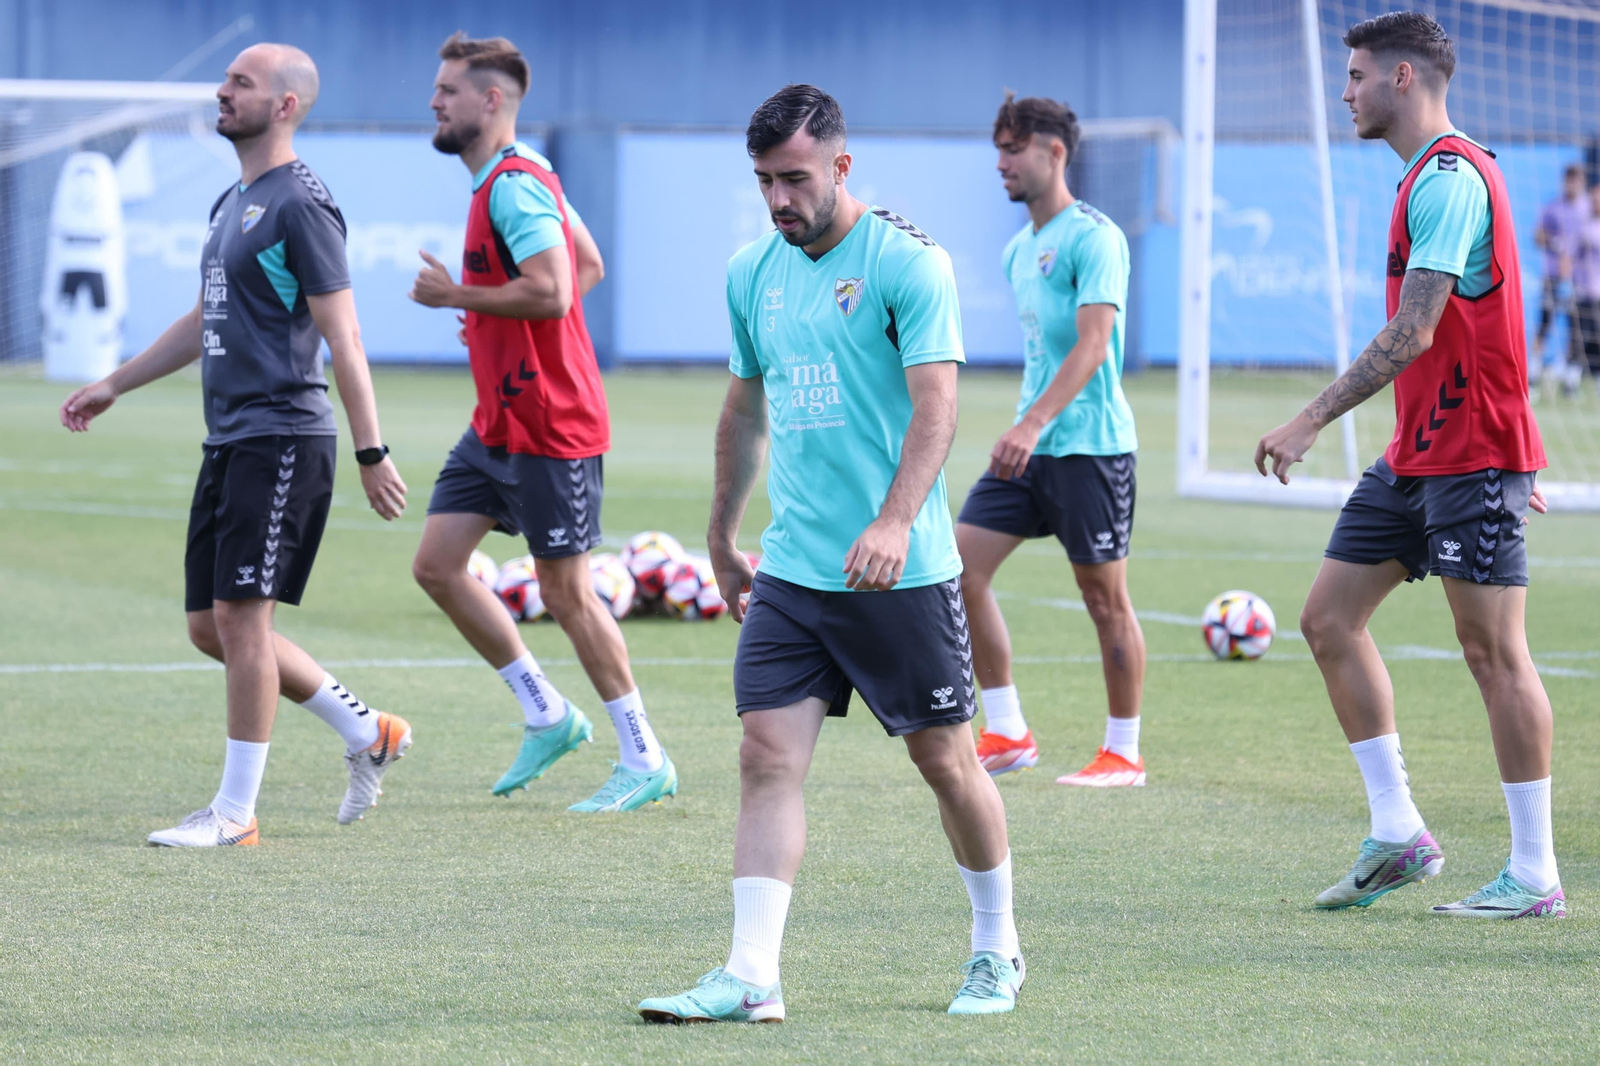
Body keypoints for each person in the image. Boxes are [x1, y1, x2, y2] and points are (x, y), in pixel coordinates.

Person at [637, 84, 1022, 1024]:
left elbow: (938, 406)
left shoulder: (908, 263)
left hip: (903, 571)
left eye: (795, 178)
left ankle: (997, 947)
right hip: (794, 572)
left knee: (946, 763)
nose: (779, 199)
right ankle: (752, 975)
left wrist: (894, 522)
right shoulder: (751, 273)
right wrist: (725, 536)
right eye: (765, 180)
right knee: (764, 756)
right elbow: (743, 410)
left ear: (841, 167)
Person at [59, 44, 413, 846]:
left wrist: (371, 449)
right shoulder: (235, 198)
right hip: (231, 438)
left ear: (285, 105)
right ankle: (369, 733)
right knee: (207, 627)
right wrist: (116, 382)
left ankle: (234, 816)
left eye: (241, 83)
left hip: (284, 434)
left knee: (241, 621)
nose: (222, 92)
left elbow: (344, 335)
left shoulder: (302, 204)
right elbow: (200, 319)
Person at [1256, 12, 1564, 919]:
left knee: (1493, 653)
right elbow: (1480, 325)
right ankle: (1399, 834)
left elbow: (1415, 330)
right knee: (1328, 619)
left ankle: (1536, 875)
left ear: (1401, 78)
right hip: (1423, 452)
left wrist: (1310, 418)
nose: (1343, 92)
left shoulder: (1450, 178)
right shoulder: (1422, 178)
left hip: (1472, 455)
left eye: (1354, 76)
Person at [407, 32, 675, 812]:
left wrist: (459, 299)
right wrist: (508, 336)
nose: (434, 101)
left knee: (567, 593)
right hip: (499, 420)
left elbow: (557, 290)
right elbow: (584, 265)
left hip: (550, 425)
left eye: (448, 90)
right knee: (436, 565)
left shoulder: (515, 187)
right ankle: (547, 713)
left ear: (491, 101)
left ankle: (643, 755)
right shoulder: (522, 177)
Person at [955, 93, 1146, 786]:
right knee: (958, 570)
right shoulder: (1018, 249)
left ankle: (1123, 752)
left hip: (1090, 448)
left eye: (1013, 149)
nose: (1001, 164)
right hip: (1030, 452)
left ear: (1054, 152)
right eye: (998, 150)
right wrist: (1029, 428)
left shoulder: (1096, 237)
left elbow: (1094, 346)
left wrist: (1032, 422)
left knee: (1104, 601)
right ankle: (1006, 731)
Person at [1530, 164, 1591, 393]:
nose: (1572, 183)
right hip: (1553, 277)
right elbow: (1537, 236)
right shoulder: (1553, 207)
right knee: (1544, 324)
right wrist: (1555, 244)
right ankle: (1532, 374)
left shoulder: (1588, 208)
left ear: (1582, 181)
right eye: (1569, 179)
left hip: (1579, 279)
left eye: (1576, 179)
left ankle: (1570, 381)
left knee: (1577, 328)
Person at [1568, 182, 1600, 385]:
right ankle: (1570, 381)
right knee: (1579, 337)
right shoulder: (1584, 227)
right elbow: (1571, 256)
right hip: (1584, 291)